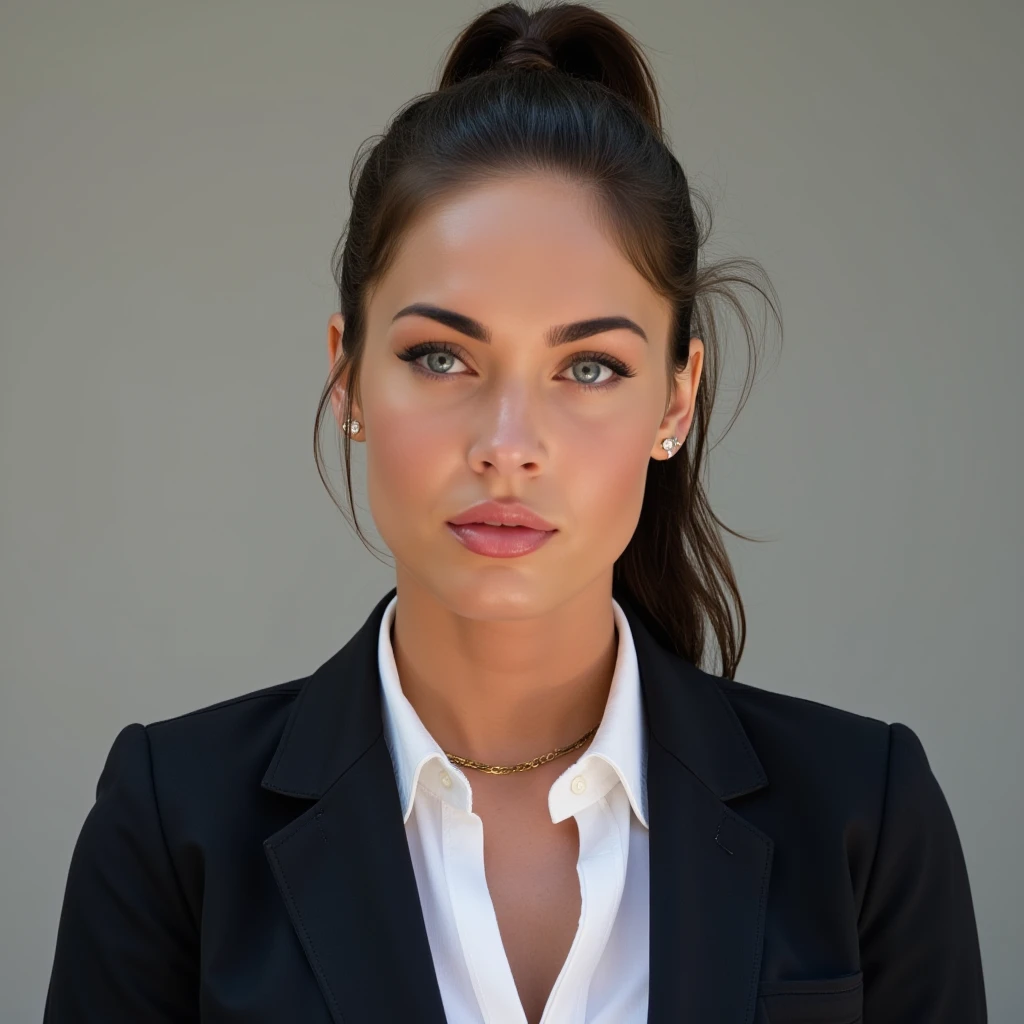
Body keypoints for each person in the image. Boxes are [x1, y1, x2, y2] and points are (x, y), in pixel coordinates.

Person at [43, 2, 987, 1022]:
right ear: (349, 376)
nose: (507, 440)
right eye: (439, 356)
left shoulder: (863, 817)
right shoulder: (172, 825)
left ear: (675, 399)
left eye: (588, 366)